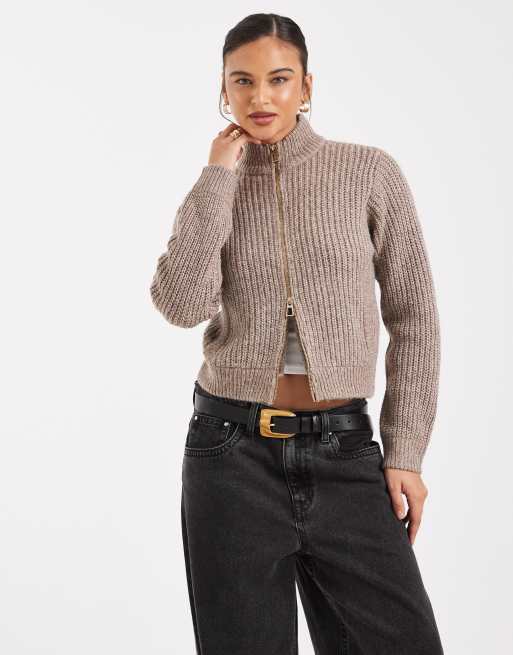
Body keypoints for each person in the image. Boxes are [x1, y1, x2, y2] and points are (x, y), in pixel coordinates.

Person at [150, 12, 444, 655]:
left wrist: (405, 450)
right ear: (223, 89)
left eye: (279, 79)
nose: (261, 96)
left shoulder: (368, 172)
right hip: (231, 456)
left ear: (306, 86)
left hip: (345, 452)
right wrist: (217, 179)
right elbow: (179, 303)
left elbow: (414, 314)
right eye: (243, 81)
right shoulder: (214, 189)